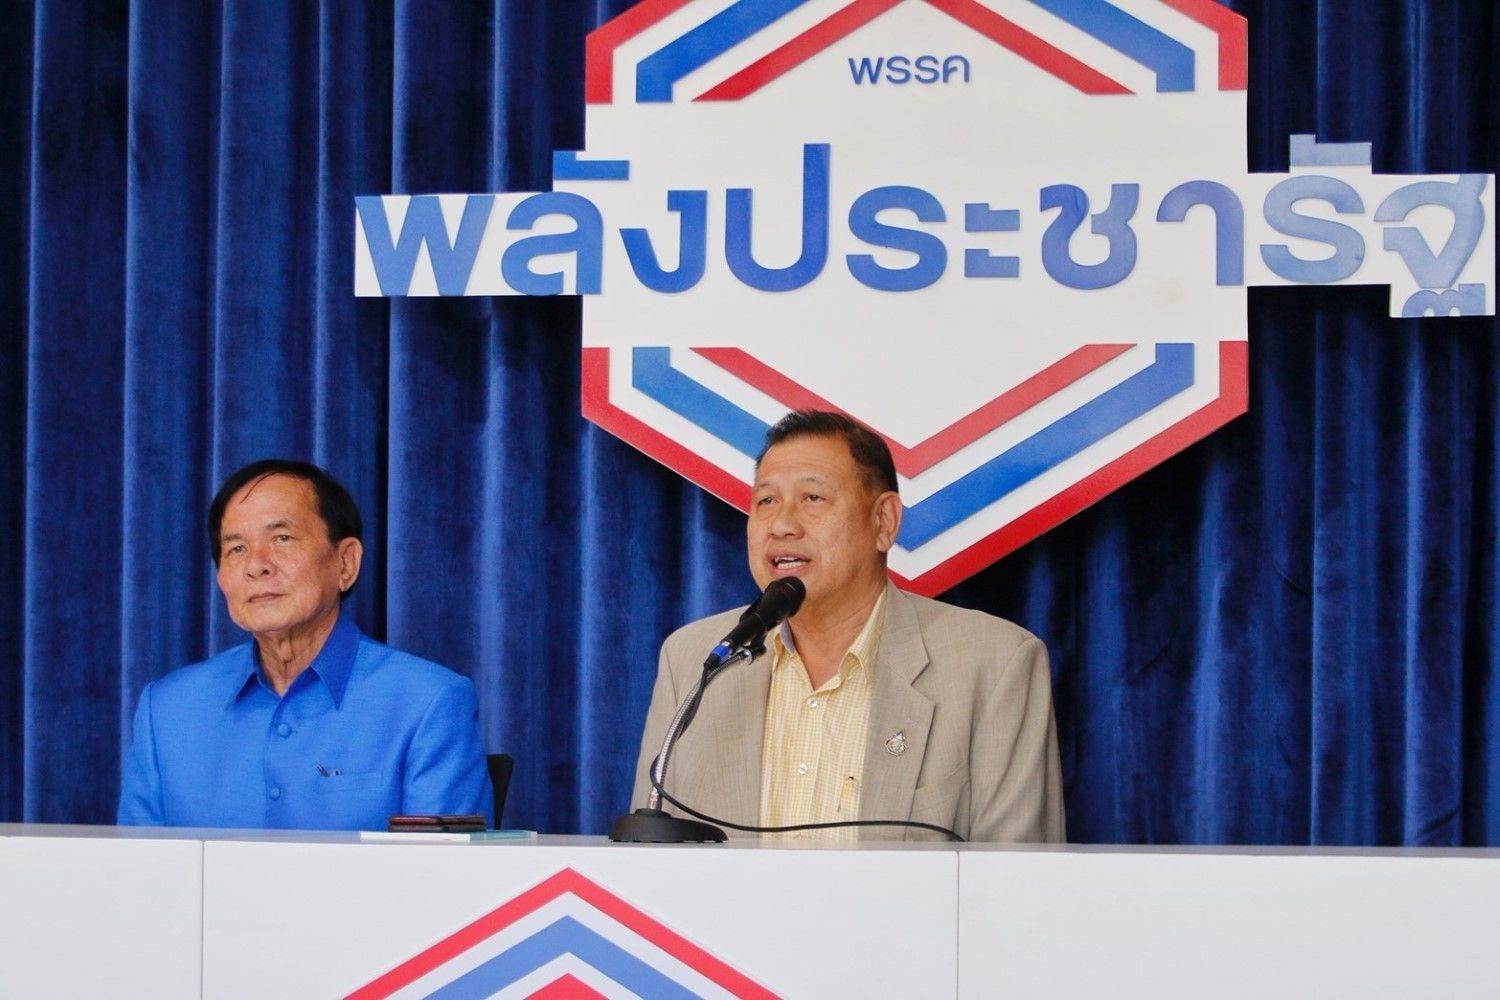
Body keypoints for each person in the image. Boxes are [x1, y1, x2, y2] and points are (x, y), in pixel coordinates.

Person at [631, 410, 1064, 842]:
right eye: (766, 501)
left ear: (883, 521)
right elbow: (646, 858)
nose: (782, 525)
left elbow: (1018, 877)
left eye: (812, 498)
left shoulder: (994, 664)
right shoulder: (695, 660)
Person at [118, 459, 491, 830]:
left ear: (345, 563)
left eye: (281, 538)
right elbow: (137, 865)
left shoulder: (428, 702)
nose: (257, 565)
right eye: (237, 549)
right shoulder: (166, 710)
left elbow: (442, 869)